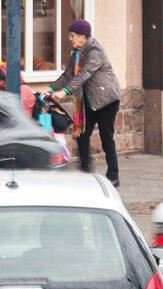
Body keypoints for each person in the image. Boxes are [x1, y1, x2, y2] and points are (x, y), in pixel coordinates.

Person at [47, 19, 122, 186]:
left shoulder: (95, 51)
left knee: (106, 137)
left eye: (73, 36)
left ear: (83, 36)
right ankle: (86, 171)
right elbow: (68, 75)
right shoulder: (78, 53)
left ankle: (113, 175)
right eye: (70, 36)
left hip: (106, 100)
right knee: (81, 135)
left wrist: (65, 92)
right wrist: (51, 89)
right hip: (88, 102)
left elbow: (84, 74)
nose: (71, 39)